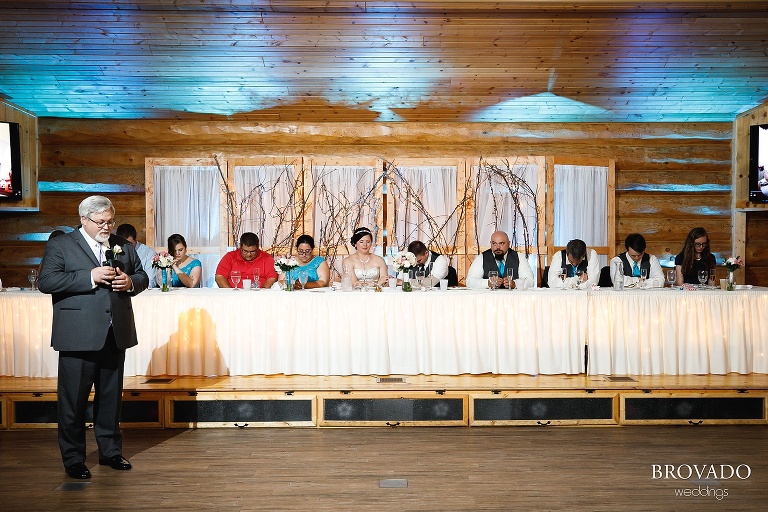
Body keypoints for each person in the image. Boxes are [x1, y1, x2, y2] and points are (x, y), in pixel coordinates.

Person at [38, 195, 149, 480]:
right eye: (100, 222)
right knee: (73, 401)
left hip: (116, 332)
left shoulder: (122, 246)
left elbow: (142, 276)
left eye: (110, 221)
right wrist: (89, 276)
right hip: (77, 333)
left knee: (111, 399)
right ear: (84, 219)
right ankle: (74, 458)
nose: (107, 227)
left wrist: (131, 283)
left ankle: (110, 452)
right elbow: (47, 281)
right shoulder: (62, 244)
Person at [466, 230, 534, 289]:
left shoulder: (519, 257)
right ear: (490, 244)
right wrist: (488, 283)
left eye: (501, 243)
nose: (497, 247)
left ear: (508, 244)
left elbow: (530, 281)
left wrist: (515, 284)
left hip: (513, 300)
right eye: (494, 243)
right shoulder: (481, 258)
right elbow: (469, 281)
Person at [115, 223, 157, 288]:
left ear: (136, 238)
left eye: (129, 244)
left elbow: (151, 281)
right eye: (122, 244)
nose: (126, 247)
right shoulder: (114, 250)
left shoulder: (149, 253)